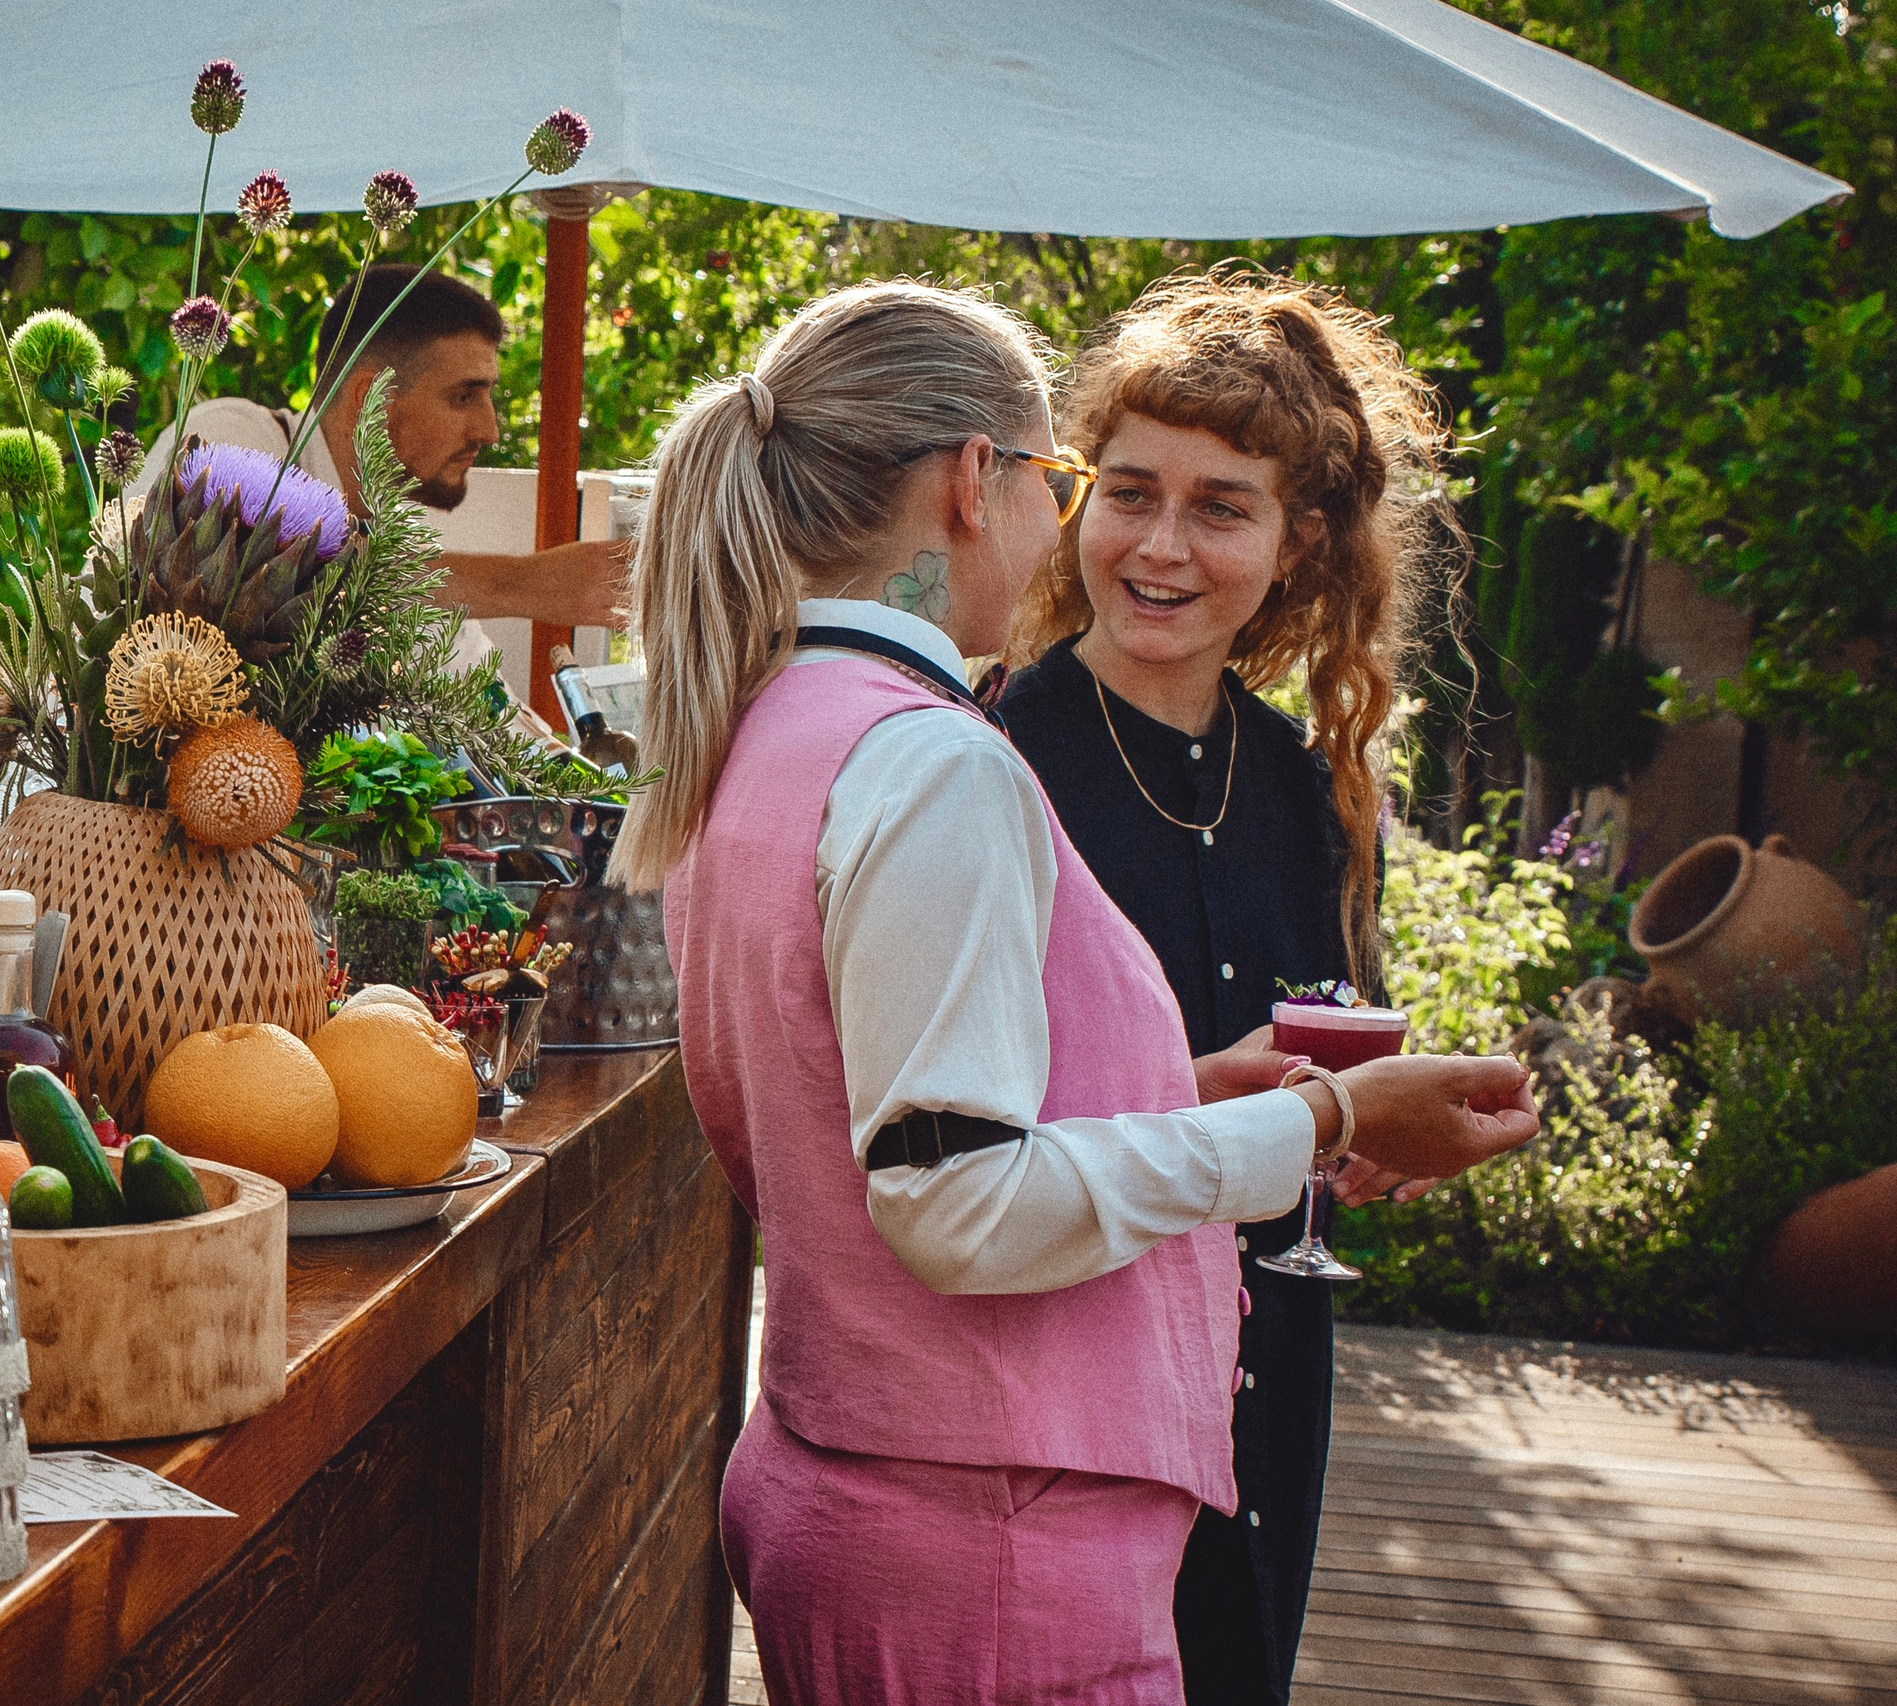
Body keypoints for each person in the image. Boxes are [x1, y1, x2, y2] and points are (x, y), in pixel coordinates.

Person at [613, 279, 1536, 1702]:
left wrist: (1195, 1095)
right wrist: (1324, 1125)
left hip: (902, 1473)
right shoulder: (947, 761)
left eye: (1220, 506)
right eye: (1076, 481)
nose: (1092, 532)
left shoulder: (768, 729)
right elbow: (950, 1195)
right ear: (979, 481)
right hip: (990, 1518)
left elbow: (850, 1109)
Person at [993, 268, 1458, 1706]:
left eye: (1223, 505)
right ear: (1075, 497)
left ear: (1300, 536)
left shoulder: (1305, 788)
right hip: (1063, 1377)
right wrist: (1233, 1110)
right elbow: (951, 1134)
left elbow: (1330, 1033)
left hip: (1272, 1348)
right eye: (1130, 490)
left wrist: (1370, 1128)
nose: (1162, 545)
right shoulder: (983, 757)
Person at [132, 264, 629, 636]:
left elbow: (493, 726)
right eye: (464, 396)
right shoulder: (232, 432)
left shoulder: (398, 557)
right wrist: (525, 584)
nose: (490, 429)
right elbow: (237, 588)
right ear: (373, 398)